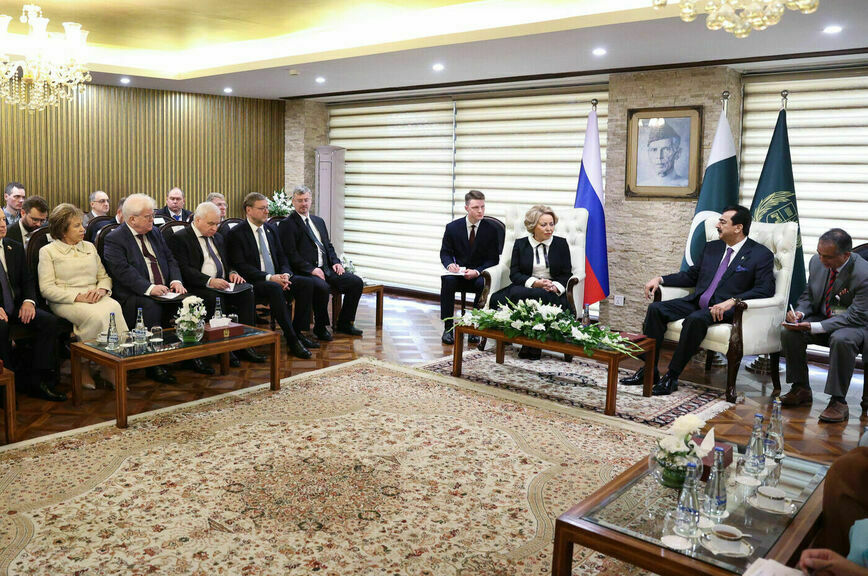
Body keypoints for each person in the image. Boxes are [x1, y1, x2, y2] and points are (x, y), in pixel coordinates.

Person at [620, 205, 775, 395]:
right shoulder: (713, 247)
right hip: (697, 302)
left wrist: (734, 301)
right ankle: (649, 370)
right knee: (656, 309)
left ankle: (672, 376)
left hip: (724, 309)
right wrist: (660, 279)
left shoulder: (760, 254)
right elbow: (692, 276)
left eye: (722, 222)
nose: (717, 225)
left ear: (738, 228)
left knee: (695, 320)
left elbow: (765, 289)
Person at [779, 229, 868, 423]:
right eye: (819, 253)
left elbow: (856, 315)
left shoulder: (863, 273)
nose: (821, 260)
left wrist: (815, 326)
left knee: (841, 339)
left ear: (846, 255)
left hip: (856, 325)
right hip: (825, 317)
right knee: (789, 332)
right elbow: (809, 295)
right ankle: (801, 387)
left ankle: (838, 401)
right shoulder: (817, 262)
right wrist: (800, 313)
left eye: (827, 256)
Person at [38, 204, 128, 390]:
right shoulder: (48, 251)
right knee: (95, 317)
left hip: (95, 295)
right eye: (77, 226)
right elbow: (46, 289)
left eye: (82, 224)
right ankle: (83, 366)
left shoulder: (89, 247)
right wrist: (78, 297)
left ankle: (109, 365)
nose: (83, 229)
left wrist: (102, 290)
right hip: (66, 299)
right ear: (63, 230)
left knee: (114, 308)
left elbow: (104, 277)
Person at [166, 201, 265, 367]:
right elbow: (184, 269)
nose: (215, 228)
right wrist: (209, 281)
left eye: (217, 224)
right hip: (198, 285)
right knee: (215, 297)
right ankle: (224, 350)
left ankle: (245, 344)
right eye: (211, 224)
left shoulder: (218, 237)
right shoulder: (180, 238)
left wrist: (232, 272)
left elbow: (228, 261)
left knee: (247, 291)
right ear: (197, 220)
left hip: (224, 283)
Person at [102, 194, 188, 383]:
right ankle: (152, 364)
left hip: (165, 289)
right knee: (150, 306)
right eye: (148, 216)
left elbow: (170, 259)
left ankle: (189, 356)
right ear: (132, 219)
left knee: (191, 301)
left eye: (153, 215)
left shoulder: (155, 232)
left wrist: (176, 280)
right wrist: (149, 288)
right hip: (134, 292)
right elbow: (122, 272)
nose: (153, 219)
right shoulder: (114, 238)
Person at [225, 192, 318, 359]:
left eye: (267, 207)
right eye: (262, 208)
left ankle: (298, 332)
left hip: (277, 277)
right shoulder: (237, 233)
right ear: (249, 210)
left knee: (306, 283)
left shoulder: (271, 229)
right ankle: (292, 340)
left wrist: (285, 274)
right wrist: (270, 277)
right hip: (255, 280)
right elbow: (241, 266)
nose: (267, 211)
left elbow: (282, 256)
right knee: (274, 288)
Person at [278, 185, 364, 340]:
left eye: (306, 200)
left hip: (327, 268)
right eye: (299, 200)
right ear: (293, 202)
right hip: (305, 272)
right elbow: (290, 254)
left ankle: (344, 323)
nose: (303, 204)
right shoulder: (287, 224)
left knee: (356, 282)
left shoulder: (318, 221)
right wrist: (311, 269)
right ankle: (320, 327)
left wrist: (336, 262)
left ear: (311, 200)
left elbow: (328, 246)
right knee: (322, 287)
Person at [489, 205, 571, 360]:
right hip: (527, 285)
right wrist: (535, 282)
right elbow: (515, 274)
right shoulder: (521, 244)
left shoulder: (561, 244)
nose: (549, 229)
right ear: (533, 226)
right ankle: (529, 342)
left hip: (550, 288)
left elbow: (566, 273)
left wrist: (555, 286)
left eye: (551, 224)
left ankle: (532, 344)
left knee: (541, 296)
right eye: (544, 225)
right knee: (521, 295)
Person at [0, 217, 63, 401]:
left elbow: (27, 280)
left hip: (17, 306)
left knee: (49, 321)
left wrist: (29, 301)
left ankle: (39, 381)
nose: (2, 225)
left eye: (3, 219)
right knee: (1, 327)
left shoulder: (14, 247)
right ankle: (6, 389)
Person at [439, 190, 503, 345]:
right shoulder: (452, 227)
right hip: (459, 274)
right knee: (447, 281)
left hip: (478, 274)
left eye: (482, 207)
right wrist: (450, 264)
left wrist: (477, 271)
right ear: (466, 208)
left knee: (483, 284)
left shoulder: (491, 230)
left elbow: (493, 259)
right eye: (476, 207)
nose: (480, 211)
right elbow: (445, 253)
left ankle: (474, 326)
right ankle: (448, 328)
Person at [642, 122, 688, 187]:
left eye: (666, 149)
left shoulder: (686, 185)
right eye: (654, 150)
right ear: (648, 153)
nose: (659, 156)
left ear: (678, 154)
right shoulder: (642, 185)